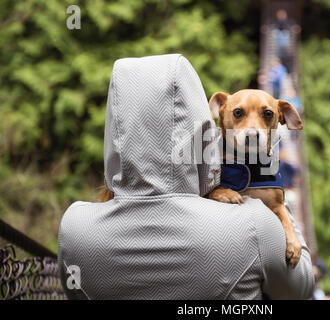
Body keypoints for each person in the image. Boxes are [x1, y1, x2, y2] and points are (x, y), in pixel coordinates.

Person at [57, 54, 314, 300]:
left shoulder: (74, 230)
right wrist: (274, 185)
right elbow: (300, 288)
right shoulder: (254, 222)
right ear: (201, 124)